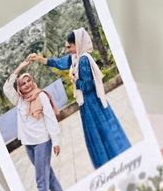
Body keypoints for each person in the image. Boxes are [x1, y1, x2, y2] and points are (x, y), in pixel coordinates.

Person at [33, 28, 130, 169]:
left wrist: (74, 79)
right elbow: (58, 63)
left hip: (92, 102)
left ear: (77, 44)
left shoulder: (83, 59)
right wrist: (40, 59)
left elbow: (89, 85)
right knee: (98, 132)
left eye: (69, 46)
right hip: (86, 103)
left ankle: (114, 156)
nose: (67, 50)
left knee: (103, 130)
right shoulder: (74, 58)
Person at [3, 58, 63, 191]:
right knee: (49, 176)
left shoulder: (41, 96)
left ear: (33, 81)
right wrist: (20, 66)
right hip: (29, 144)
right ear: (20, 88)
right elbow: (6, 88)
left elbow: (50, 119)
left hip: (42, 142)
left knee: (41, 180)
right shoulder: (19, 100)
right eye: (23, 83)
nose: (27, 84)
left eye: (29, 81)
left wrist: (55, 141)